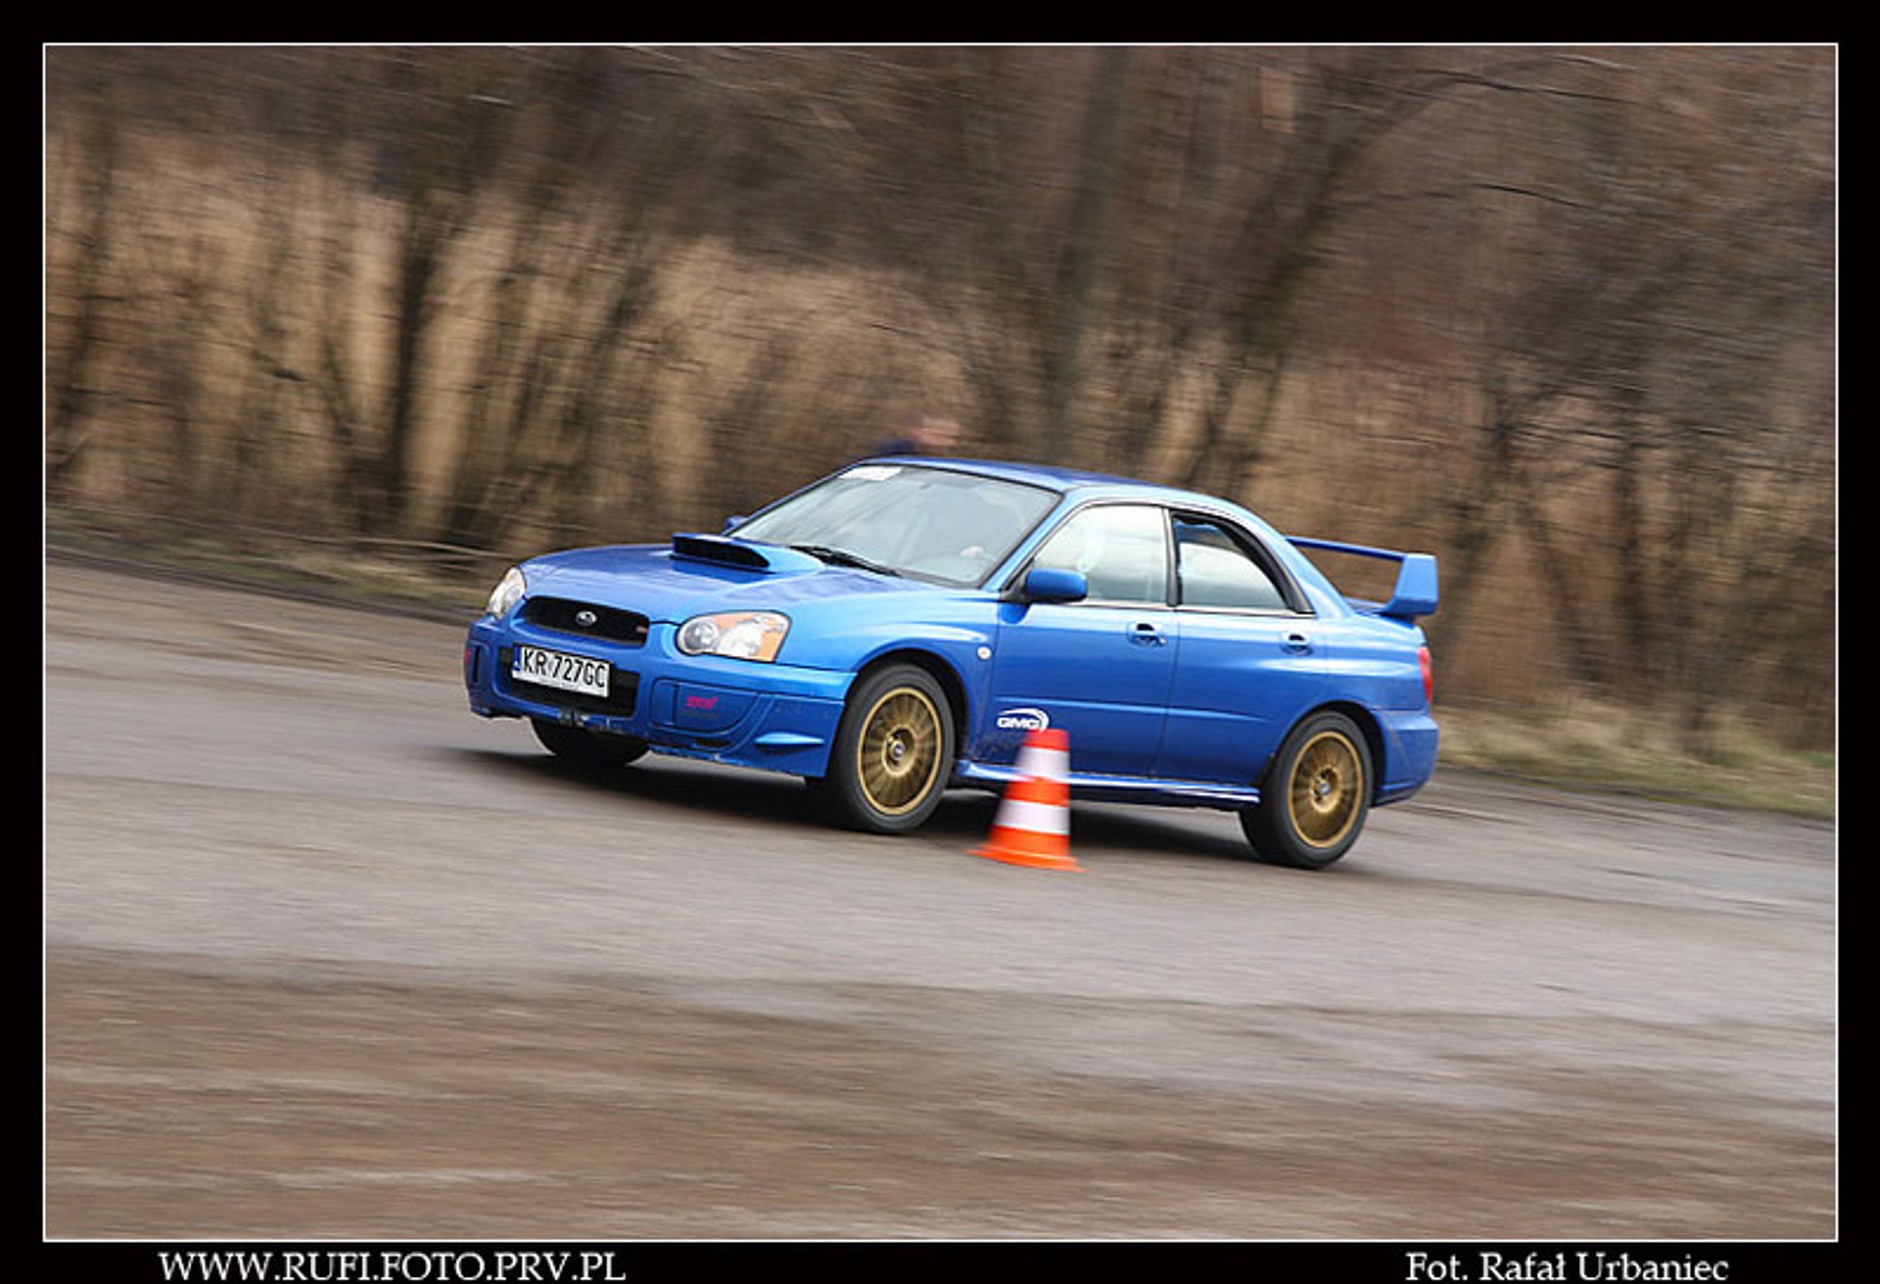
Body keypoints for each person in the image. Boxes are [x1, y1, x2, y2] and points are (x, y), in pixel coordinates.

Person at [869, 413, 961, 458]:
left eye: (951, 437)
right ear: (917, 431)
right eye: (939, 435)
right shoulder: (894, 451)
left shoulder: (946, 459)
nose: (950, 442)